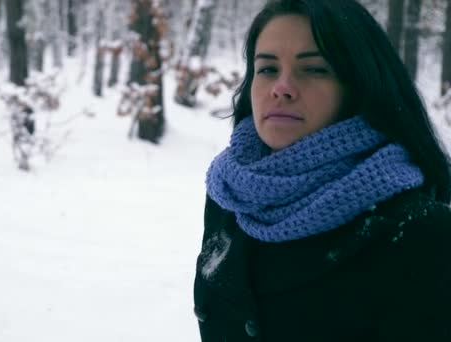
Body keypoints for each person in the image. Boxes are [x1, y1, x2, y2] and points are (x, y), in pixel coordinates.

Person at [193, 0, 451, 341]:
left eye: (314, 69)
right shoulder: (233, 198)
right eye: (267, 69)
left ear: (359, 87)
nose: (281, 87)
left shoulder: (423, 234)